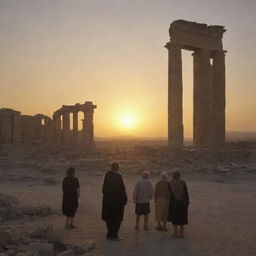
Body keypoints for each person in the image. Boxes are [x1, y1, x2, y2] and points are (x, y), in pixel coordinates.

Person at [101, 162, 127, 240]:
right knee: (116, 219)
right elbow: (122, 190)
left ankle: (109, 233)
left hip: (108, 201)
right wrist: (124, 199)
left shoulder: (107, 175)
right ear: (118, 168)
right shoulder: (118, 177)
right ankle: (114, 235)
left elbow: (104, 189)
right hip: (116, 202)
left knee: (109, 217)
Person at [168, 170, 189, 238]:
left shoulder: (171, 182)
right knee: (182, 217)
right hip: (182, 202)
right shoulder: (182, 182)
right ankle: (182, 233)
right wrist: (187, 202)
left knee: (175, 218)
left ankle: (175, 233)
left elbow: (169, 194)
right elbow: (186, 193)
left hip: (174, 203)